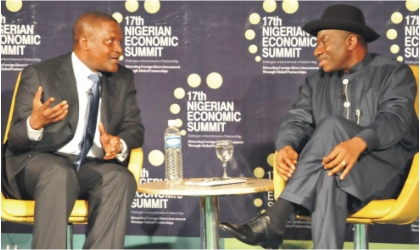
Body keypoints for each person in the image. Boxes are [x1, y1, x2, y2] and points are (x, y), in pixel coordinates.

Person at [220, 4, 418, 249]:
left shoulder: (393, 72)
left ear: (351, 41)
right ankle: (279, 222)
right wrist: (287, 146)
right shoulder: (315, 83)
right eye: (317, 43)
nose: (317, 51)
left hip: (388, 172)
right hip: (335, 172)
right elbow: (296, 121)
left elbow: (394, 118)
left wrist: (357, 143)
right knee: (329, 174)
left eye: (324, 42)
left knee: (332, 127)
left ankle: (278, 215)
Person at [2, 11, 145, 249]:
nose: (119, 50)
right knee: (58, 172)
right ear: (85, 42)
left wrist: (118, 143)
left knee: (120, 178)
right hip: (37, 163)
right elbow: (16, 142)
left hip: (88, 166)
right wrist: (34, 124)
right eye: (111, 41)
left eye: (120, 42)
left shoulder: (123, 78)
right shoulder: (40, 74)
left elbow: (134, 127)